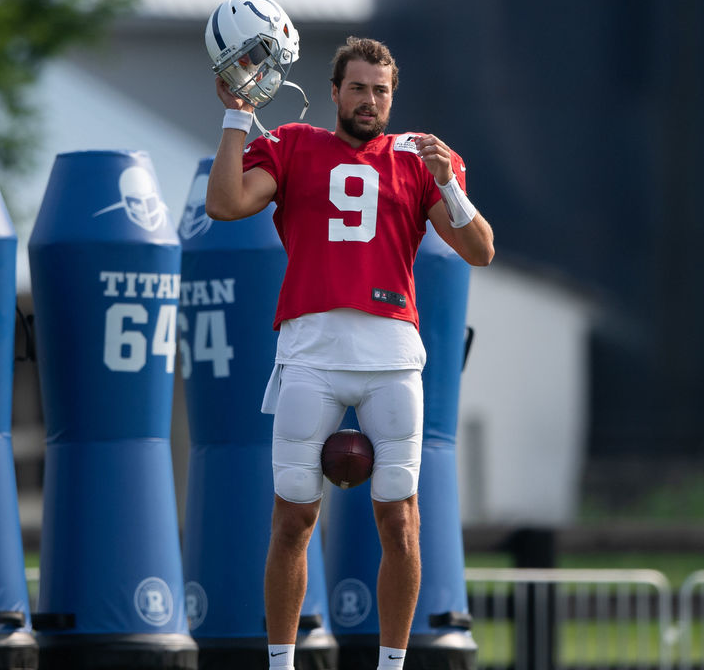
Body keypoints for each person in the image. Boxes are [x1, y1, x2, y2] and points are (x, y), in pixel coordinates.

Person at [206, 34, 495, 670]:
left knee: (400, 523)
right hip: (309, 351)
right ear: (334, 92)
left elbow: (480, 250)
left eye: (381, 90)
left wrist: (448, 185)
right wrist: (234, 114)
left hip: (392, 353)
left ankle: (391, 666)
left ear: (394, 98)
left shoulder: (421, 159)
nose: (370, 101)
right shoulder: (291, 143)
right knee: (291, 522)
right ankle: (282, 664)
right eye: (358, 87)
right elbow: (225, 203)